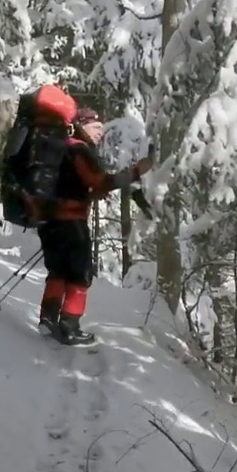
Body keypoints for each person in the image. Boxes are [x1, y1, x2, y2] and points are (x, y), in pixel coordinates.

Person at [38, 107, 153, 345]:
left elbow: (73, 185)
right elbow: (101, 181)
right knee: (80, 275)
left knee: (58, 270)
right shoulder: (79, 149)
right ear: (81, 125)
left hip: (48, 221)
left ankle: (48, 320)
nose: (100, 132)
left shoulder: (60, 149)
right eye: (96, 127)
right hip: (71, 222)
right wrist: (136, 172)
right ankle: (69, 327)